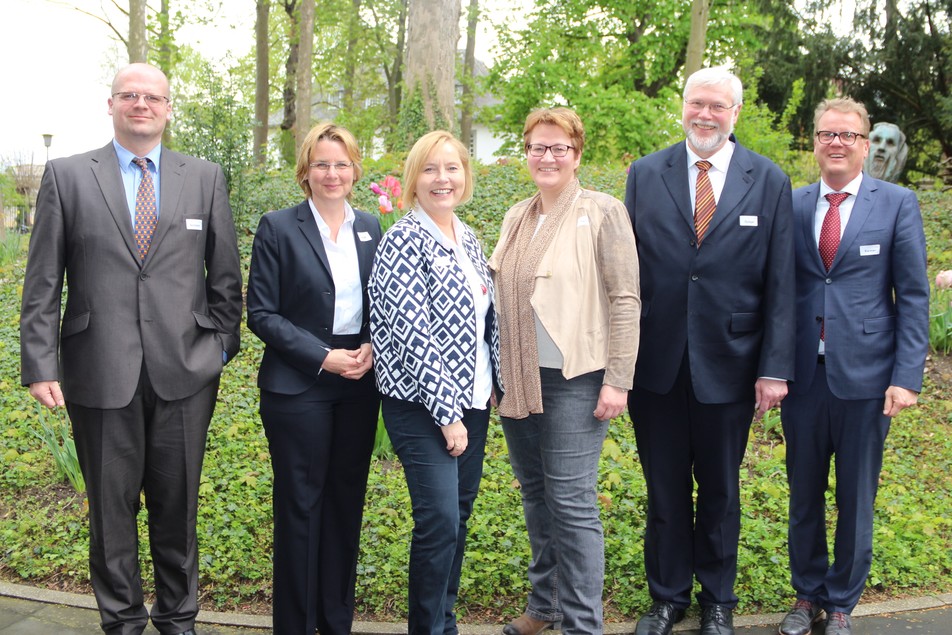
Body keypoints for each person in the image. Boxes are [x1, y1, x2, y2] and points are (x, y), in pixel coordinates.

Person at [19, 63, 242, 635]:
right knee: (111, 511)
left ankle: (178, 619)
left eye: (153, 97)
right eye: (130, 95)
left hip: (186, 372)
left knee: (178, 506)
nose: (141, 104)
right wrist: (41, 364)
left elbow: (225, 280)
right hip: (98, 370)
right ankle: (121, 622)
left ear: (169, 108)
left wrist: (217, 350)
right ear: (112, 104)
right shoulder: (68, 176)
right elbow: (44, 280)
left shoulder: (204, 176)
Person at [623, 66, 795, 635]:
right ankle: (668, 597)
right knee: (665, 488)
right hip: (658, 364)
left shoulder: (768, 179)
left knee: (720, 489)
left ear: (735, 113)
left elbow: (781, 285)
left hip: (732, 363)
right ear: (683, 106)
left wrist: (774, 368)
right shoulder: (646, 174)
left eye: (718, 106)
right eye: (698, 103)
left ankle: (718, 599)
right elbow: (627, 277)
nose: (706, 114)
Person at [778, 98, 929, 635]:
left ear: (864, 144)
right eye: (826, 135)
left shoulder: (896, 204)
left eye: (847, 135)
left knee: (856, 496)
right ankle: (806, 595)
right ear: (814, 143)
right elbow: (778, 293)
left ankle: (842, 601)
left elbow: (912, 296)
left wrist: (906, 376)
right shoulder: (791, 205)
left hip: (867, 379)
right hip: (803, 377)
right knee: (803, 491)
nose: (836, 143)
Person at [488, 107, 640, 635]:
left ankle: (582, 623)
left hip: (577, 379)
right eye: (537, 147)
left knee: (572, 503)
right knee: (535, 494)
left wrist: (618, 378)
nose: (547, 157)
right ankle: (545, 605)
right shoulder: (516, 215)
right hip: (518, 378)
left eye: (559, 148)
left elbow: (625, 298)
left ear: (577, 154)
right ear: (526, 153)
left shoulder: (603, 211)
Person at [246, 123, 382, 635]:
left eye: (342, 164)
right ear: (306, 171)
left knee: (346, 503)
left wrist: (372, 343)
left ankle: (335, 621)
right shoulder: (279, 227)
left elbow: (383, 301)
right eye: (322, 163)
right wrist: (322, 356)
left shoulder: (370, 225)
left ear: (354, 171)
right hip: (298, 385)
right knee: (301, 507)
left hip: (358, 384)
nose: (332, 173)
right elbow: (261, 313)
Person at [369, 130, 501, 635]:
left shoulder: (466, 235)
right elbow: (410, 332)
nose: (441, 178)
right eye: (430, 169)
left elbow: (483, 315)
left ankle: (445, 621)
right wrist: (448, 414)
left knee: (458, 519)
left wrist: (493, 379)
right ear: (413, 180)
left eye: (451, 168)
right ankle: (428, 628)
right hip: (422, 407)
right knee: (439, 522)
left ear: (464, 176)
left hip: (473, 401)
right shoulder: (403, 239)